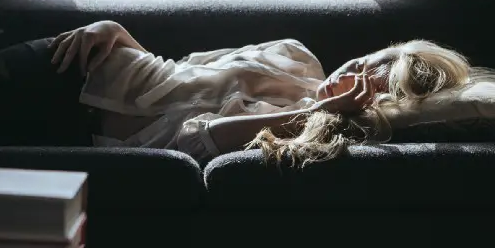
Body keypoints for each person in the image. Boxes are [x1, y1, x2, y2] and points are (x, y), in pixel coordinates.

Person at [47, 20, 471, 167]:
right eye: (360, 63)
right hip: (80, 64)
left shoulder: (313, 130)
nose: (348, 75)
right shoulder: (295, 55)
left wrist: (323, 112)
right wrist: (116, 33)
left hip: (74, 138)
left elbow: (196, 138)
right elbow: (182, 69)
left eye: (364, 85)